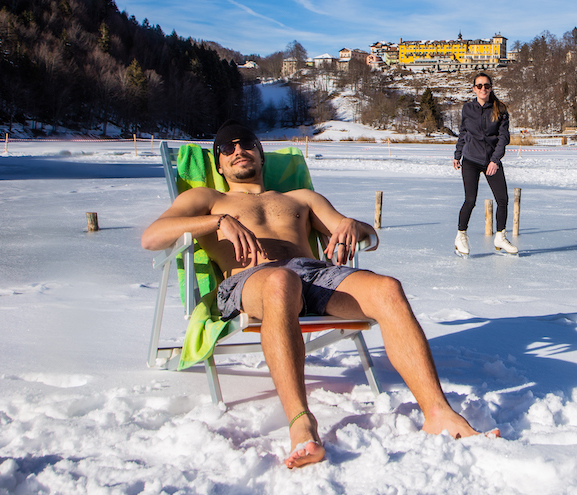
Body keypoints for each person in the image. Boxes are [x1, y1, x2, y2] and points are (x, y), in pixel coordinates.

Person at [141, 120, 484, 470]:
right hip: (253, 280)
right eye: (226, 149)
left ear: (260, 153)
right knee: (280, 281)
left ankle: (437, 413)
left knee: (387, 288)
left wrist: (353, 225)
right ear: (218, 165)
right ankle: (301, 423)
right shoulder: (208, 199)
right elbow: (152, 238)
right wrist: (216, 222)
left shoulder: (300, 198)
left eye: (245, 143)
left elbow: (368, 238)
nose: (237, 151)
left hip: (314, 274)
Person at [453, 72, 518, 256]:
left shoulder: (500, 109)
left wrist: (495, 160)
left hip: (491, 160)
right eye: (479, 86)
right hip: (471, 160)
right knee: (470, 200)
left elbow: (503, 138)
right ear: (474, 88)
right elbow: (463, 133)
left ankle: (500, 237)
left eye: (487, 86)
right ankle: (461, 236)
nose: (483, 89)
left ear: (491, 88)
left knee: (502, 200)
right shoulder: (468, 109)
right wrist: (457, 154)